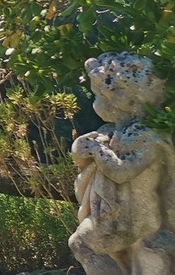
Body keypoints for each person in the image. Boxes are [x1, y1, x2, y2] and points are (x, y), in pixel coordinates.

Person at [70, 53, 175, 274]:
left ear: (124, 99)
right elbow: (83, 160)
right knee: (83, 244)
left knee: (82, 244)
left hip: (133, 219)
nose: (97, 102)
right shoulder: (112, 132)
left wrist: (98, 151)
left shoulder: (149, 137)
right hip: (115, 215)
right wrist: (81, 150)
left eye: (99, 95)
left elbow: (122, 171)